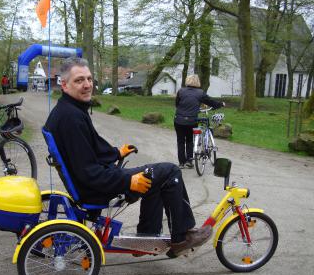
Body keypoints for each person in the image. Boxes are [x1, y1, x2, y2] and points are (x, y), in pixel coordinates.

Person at [44, 57, 212, 257]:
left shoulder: (69, 110)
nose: (87, 85)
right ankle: (182, 237)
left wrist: (116, 153)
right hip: (94, 189)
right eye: (79, 80)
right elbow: (88, 172)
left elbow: (90, 149)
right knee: (170, 171)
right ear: (64, 84)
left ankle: (147, 237)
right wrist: (128, 180)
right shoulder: (71, 118)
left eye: (89, 79)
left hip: (92, 183)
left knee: (155, 175)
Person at [174, 75, 225, 169]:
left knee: (180, 141)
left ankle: (181, 163)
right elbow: (211, 102)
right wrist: (220, 104)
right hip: (191, 120)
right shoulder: (200, 93)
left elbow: (177, 104)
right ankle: (189, 161)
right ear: (198, 82)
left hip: (179, 120)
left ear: (187, 81)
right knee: (189, 140)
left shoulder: (180, 91)